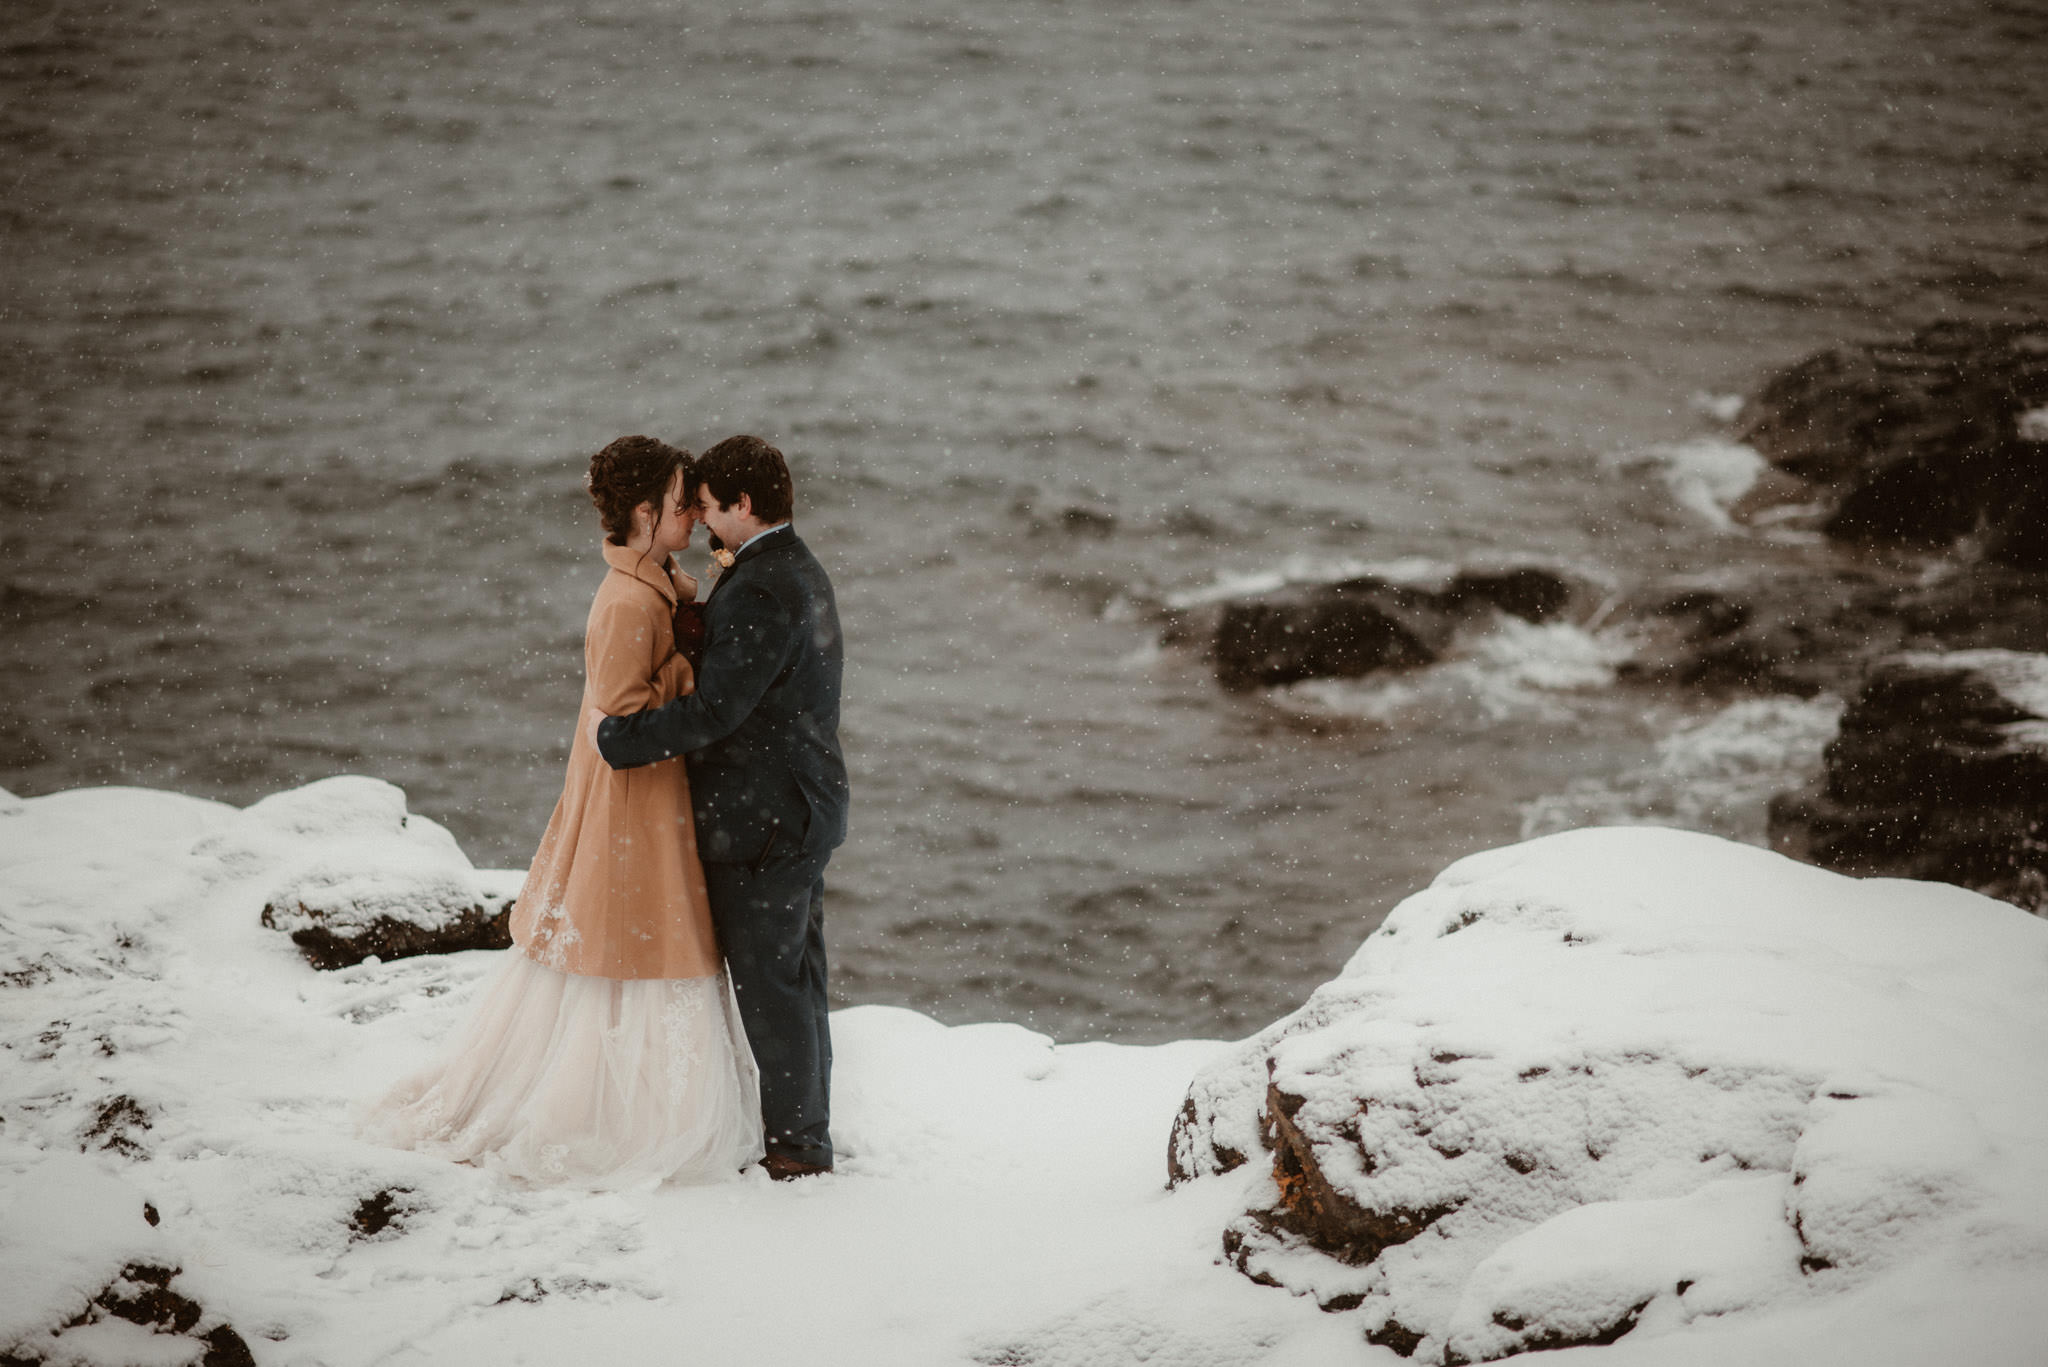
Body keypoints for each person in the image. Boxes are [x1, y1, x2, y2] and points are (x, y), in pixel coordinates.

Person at [364, 436, 763, 1188]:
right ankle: (613, 1111)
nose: (690, 514)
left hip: (651, 789)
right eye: (680, 503)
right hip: (632, 796)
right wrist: (697, 672)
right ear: (645, 513)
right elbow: (621, 712)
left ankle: (634, 1096)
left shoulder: (649, 584)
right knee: (633, 930)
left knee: (643, 932)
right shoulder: (625, 601)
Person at [585, 434, 847, 1181]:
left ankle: (797, 1150)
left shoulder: (764, 585)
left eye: (705, 505)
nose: (697, 520)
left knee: (773, 992)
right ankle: (808, 1133)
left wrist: (623, 738)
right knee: (797, 980)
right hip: (801, 805)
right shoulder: (792, 564)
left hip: (764, 821)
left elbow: (719, 710)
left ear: (742, 505)